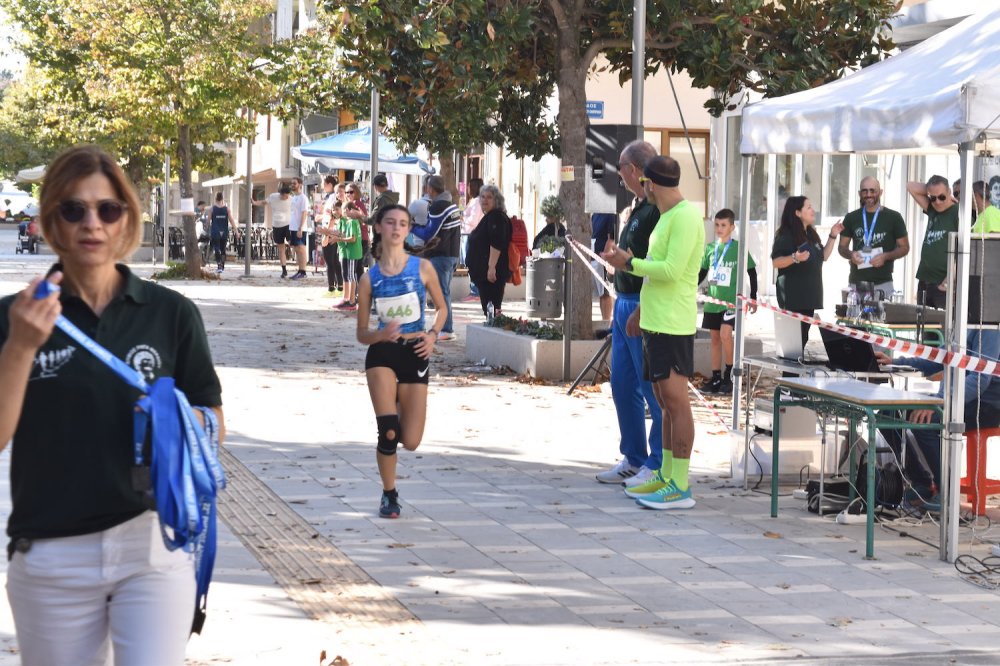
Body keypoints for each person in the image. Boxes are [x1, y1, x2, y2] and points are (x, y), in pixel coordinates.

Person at [0, 144, 224, 664]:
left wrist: (182, 422)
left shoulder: (170, 313)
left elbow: (213, 419)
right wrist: (18, 349)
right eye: (73, 209)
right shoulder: (16, 315)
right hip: (52, 549)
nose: (91, 223)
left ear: (127, 215)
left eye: (108, 209)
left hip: (150, 544)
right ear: (51, 219)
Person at [602, 155, 705, 510]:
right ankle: (665, 474)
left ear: (651, 183)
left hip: (674, 323)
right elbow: (657, 272)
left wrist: (628, 262)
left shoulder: (686, 217)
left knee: (677, 403)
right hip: (656, 320)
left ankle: (680, 483)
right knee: (661, 402)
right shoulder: (666, 217)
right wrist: (643, 308)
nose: (641, 188)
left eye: (643, 182)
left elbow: (673, 270)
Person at [356, 204, 446, 519]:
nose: (396, 228)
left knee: (411, 441)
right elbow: (361, 334)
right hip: (382, 353)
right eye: (391, 222)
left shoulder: (422, 268)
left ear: (408, 230)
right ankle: (389, 494)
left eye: (403, 223)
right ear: (379, 227)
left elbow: (443, 310)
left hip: (415, 352)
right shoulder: (369, 279)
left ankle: (395, 400)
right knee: (389, 432)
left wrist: (433, 335)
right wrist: (379, 335)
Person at [593, 140, 664, 488]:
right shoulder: (637, 207)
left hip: (640, 301)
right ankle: (632, 457)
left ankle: (657, 460)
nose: (619, 177)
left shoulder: (656, 209)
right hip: (623, 299)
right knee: (622, 383)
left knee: (651, 387)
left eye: (621, 170)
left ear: (632, 170)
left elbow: (653, 259)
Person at [876, 328, 1000, 510]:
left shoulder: (989, 328)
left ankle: (947, 492)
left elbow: (979, 381)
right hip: (953, 398)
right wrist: (893, 361)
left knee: (927, 421)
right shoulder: (960, 323)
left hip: (986, 404)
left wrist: (940, 402)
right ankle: (923, 484)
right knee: (887, 415)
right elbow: (935, 360)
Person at [698, 208, 758, 395]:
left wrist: (753, 297)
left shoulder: (739, 248)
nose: (719, 228)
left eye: (723, 225)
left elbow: (752, 271)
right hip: (712, 303)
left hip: (731, 303)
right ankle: (715, 378)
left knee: (726, 335)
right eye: (717, 225)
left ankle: (729, 376)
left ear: (732, 227)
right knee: (715, 339)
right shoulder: (710, 249)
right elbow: (702, 272)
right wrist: (689, 286)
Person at [771, 196, 843, 347]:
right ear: (797, 213)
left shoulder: (810, 234)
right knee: (792, 345)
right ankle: (790, 372)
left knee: (802, 341)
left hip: (809, 300)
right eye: (808, 207)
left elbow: (823, 256)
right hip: (793, 299)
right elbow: (776, 262)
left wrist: (833, 235)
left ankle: (795, 370)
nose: (813, 210)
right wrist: (794, 258)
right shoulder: (786, 235)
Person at [837, 176, 909, 297]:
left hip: (883, 283)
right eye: (865, 191)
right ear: (860, 193)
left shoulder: (894, 217)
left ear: (880, 192)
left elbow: (905, 247)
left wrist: (886, 256)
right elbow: (842, 247)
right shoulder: (851, 217)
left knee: (883, 316)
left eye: (872, 190)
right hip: (856, 283)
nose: (868, 194)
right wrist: (851, 255)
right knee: (854, 316)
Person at [420, 175, 462, 342]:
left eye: (427, 188)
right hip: (451, 255)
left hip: (441, 255)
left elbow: (430, 233)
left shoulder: (438, 206)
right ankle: (445, 327)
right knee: (443, 291)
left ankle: (446, 328)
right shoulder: (451, 205)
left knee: (441, 292)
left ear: (430, 189)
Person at [907, 175, 958, 309]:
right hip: (924, 281)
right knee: (923, 328)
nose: (938, 202)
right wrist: (931, 189)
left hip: (943, 284)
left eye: (942, 197)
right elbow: (910, 186)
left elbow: (965, 249)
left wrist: (949, 279)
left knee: (944, 327)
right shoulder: (932, 209)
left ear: (949, 192)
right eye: (933, 197)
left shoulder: (958, 213)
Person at [466, 184, 512, 317]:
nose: (484, 200)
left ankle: (497, 333)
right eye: (482, 197)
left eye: (489, 197)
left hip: (491, 275)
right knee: (490, 309)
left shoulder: (496, 217)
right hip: (485, 273)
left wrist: (491, 268)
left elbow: (496, 243)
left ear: (496, 200)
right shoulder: (490, 216)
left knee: (492, 309)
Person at [253, 182, 293, 278]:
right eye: (284, 196)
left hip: (288, 225)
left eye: (287, 195)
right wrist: (255, 203)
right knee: (281, 249)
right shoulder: (273, 197)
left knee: (293, 244)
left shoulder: (291, 199)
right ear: (280, 194)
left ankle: (300, 268)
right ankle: (284, 270)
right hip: (277, 225)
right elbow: (264, 202)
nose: (286, 197)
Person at [318, 175, 344, 294]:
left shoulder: (334, 199)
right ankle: (339, 286)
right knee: (333, 260)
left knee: (330, 260)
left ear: (330, 184)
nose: (322, 186)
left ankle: (332, 287)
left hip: (332, 231)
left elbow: (333, 217)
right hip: (330, 229)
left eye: (324, 184)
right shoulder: (331, 198)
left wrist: (327, 234)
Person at [461, 178, 484, 301]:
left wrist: (462, 220)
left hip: (471, 235)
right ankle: (475, 290)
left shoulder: (476, 202)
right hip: (469, 234)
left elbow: (473, 220)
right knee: (470, 263)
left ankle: (475, 291)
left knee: (471, 262)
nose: (468, 189)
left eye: (470, 186)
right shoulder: (474, 201)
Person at [590, 212, 615, 321]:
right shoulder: (594, 215)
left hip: (603, 259)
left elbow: (611, 239)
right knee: (601, 294)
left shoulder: (610, 214)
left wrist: (604, 258)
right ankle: (603, 320)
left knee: (605, 293)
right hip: (594, 257)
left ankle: (606, 321)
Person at [368, 173, 399, 257]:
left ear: (375, 186)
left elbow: (372, 220)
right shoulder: (393, 198)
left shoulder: (382, 199)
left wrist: (358, 216)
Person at [343, 182, 370, 281]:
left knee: (357, 267)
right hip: (356, 238)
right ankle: (358, 291)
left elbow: (364, 218)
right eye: (346, 192)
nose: (348, 194)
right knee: (357, 268)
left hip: (360, 238)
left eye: (351, 192)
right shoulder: (350, 204)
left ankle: (359, 291)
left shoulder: (357, 203)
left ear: (356, 192)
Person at [286, 176, 310, 280]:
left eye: (294, 183)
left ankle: (303, 271)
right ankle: (299, 270)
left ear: (300, 185)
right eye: (291, 183)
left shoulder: (303, 198)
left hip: (300, 227)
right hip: (293, 227)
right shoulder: (294, 197)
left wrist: (300, 227)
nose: (292, 185)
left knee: (301, 249)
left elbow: (304, 213)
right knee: (296, 249)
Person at [209, 192, 238, 274]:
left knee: (217, 248)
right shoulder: (227, 209)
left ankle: (219, 265)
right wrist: (236, 231)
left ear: (215, 199)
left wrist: (206, 225)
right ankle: (222, 264)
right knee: (223, 249)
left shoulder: (212, 209)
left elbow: (208, 221)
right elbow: (231, 220)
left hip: (215, 231)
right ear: (222, 199)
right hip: (224, 232)